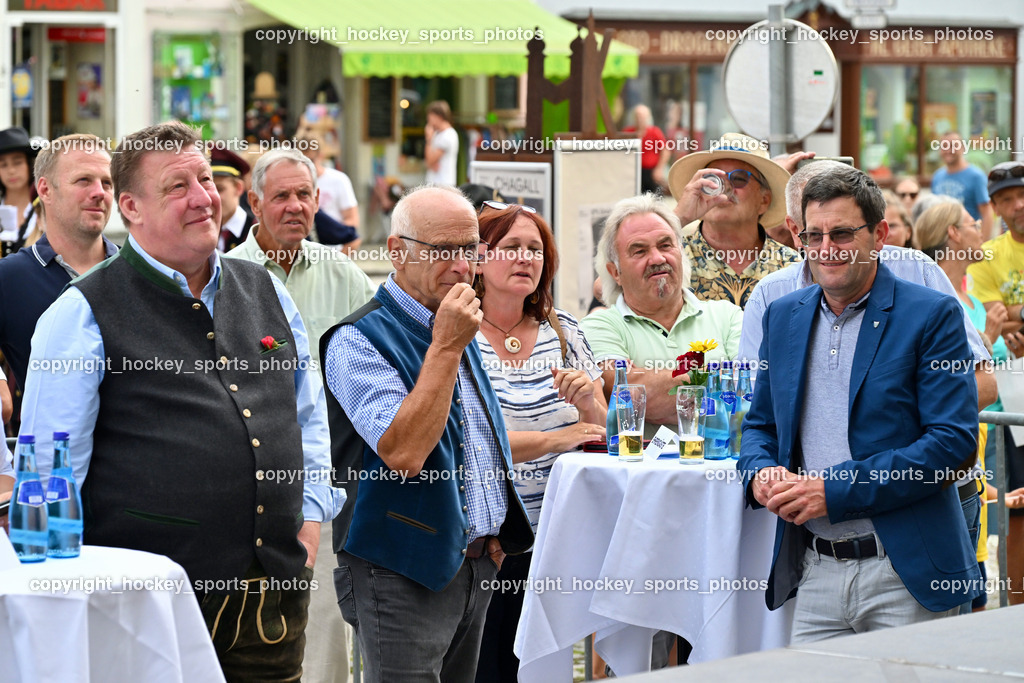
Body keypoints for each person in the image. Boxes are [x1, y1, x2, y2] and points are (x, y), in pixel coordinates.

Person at [20, 121, 342, 680]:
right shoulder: (79, 313)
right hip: (143, 610)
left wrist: (310, 518)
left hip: (271, 602)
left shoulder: (265, 288)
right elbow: (47, 477)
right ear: (131, 208)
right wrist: (57, 611)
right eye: (177, 187)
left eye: (204, 180)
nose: (203, 198)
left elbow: (307, 416)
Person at [739, 164, 982, 643]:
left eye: (843, 233)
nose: (826, 249)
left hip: (907, 572)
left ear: (880, 235)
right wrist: (760, 472)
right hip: (815, 570)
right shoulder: (783, 314)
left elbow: (954, 445)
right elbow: (760, 426)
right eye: (814, 235)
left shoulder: (931, 314)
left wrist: (833, 490)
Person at [321, 185, 533, 682]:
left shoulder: (452, 321)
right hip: (400, 570)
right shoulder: (358, 338)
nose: (461, 265)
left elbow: (480, 438)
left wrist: (493, 532)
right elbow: (404, 452)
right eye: (443, 250)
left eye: (469, 249)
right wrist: (445, 347)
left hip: (475, 564)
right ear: (397, 251)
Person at [225, 147, 374, 683]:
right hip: (246, 485)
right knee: (248, 630)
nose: (295, 206)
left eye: (304, 195)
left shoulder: (346, 276)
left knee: (327, 637)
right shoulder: (227, 276)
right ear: (254, 203)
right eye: (281, 196)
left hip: (326, 479)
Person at [472, 201, 606, 682]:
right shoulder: (456, 334)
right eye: (511, 248)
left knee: (544, 667)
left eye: (535, 249)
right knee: (488, 666)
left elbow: (603, 432)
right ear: (479, 259)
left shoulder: (563, 329)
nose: (526, 258)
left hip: (559, 535)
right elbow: (472, 442)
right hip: (490, 538)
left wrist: (589, 402)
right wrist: (557, 439)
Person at [914, 198, 1013, 612]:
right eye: (973, 223)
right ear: (953, 233)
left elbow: (994, 369)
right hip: (951, 457)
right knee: (962, 589)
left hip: (980, 447)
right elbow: (963, 376)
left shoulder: (970, 294)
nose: (981, 231)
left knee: (974, 581)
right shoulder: (933, 293)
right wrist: (987, 339)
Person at [583, 193, 742, 440]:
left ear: (680, 252)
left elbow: (746, 395)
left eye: (666, 245)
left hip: (719, 472)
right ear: (616, 272)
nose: (657, 258)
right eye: (639, 251)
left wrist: (647, 379)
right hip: (638, 475)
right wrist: (717, 383)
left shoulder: (727, 316)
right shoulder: (599, 327)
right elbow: (627, 396)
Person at [0, 134, 118, 391]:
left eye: (107, 183)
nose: (99, 192)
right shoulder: (10, 277)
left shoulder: (138, 270)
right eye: (83, 180)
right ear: (45, 190)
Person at [967, 160, 1024, 605]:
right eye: (1006, 198)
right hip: (1015, 389)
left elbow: (1012, 319)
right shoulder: (988, 255)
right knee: (1016, 508)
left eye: (1022, 194)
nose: (1017, 204)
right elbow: (998, 321)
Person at [669, 133, 801, 308]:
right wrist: (680, 216)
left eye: (738, 178)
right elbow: (625, 270)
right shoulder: (672, 257)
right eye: (712, 180)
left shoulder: (791, 266)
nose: (723, 190)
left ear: (764, 200)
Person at [297, 131, 362, 255]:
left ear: (321, 155)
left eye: (310, 160)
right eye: (301, 161)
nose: (306, 165)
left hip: (333, 251)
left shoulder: (338, 180)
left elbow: (353, 222)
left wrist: (337, 262)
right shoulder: (294, 183)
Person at [932, 132, 994, 239]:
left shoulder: (976, 176)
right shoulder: (937, 176)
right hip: (941, 241)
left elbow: (987, 213)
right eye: (944, 146)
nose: (948, 150)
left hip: (967, 240)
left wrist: (984, 245)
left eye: (953, 145)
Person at [0, 126, 38, 257]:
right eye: (3, 165)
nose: (11, 170)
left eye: (17, 162)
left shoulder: (44, 208)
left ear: (30, 164)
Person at [211, 147, 255, 253]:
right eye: (207, 189)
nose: (212, 197)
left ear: (239, 188)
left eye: (219, 189)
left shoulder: (255, 233)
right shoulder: (201, 230)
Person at [623, 104, 670, 194]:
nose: (640, 119)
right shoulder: (628, 132)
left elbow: (665, 150)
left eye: (643, 116)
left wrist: (659, 169)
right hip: (633, 170)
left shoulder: (654, 132)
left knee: (655, 196)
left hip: (651, 172)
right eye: (638, 116)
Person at [425, 100, 459, 187]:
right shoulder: (437, 133)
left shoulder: (448, 135)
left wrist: (428, 140)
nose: (428, 121)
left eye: (430, 117)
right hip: (435, 183)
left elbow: (430, 160)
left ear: (439, 116)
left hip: (443, 184)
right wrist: (431, 163)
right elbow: (429, 162)